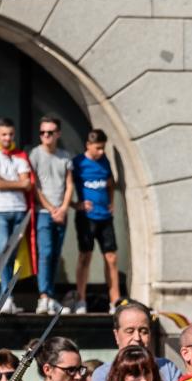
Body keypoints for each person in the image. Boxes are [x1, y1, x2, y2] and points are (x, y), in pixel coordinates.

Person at [0, 118, 34, 297]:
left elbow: (27, 184)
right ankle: (5, 296)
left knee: (12, 254)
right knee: (4, 251)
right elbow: (0, 183)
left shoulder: (19, 156)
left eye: (10, 134)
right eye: (3, 134)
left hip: (19, 210)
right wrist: (16, 183)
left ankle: (8, 295)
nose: (7, 138)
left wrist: (1, 182)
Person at [30, 115, 75, 315]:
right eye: (42, 132)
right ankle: (44, 297)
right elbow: (34, 186)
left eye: (50, 132)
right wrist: (51, 208)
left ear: (57, 134)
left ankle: (51, 296)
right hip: (43, 212)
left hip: (61, 212)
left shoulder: (65, 156)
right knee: (45, 254)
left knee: (55, 255)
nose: (46, 136)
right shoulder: (35, 154)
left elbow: (69, 184)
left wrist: (64, 208)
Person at [73, 128, 120, 314]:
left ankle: (114, 301)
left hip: (105, 216)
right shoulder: (78, 163)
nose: (101, 152)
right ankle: (81, 299)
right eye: (98, 148)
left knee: (111, 257)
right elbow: (67, 185)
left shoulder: (105, 161)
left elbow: (109, 183)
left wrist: (111, 202)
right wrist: (76, 204)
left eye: (103, 148)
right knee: (85, 256)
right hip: (86, 217)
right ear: (89, 145)